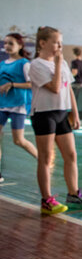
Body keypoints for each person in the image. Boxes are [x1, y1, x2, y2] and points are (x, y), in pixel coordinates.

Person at [29, 26, 82, 215]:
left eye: (61, 42)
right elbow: (54, 88)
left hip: (61, 113)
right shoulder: (36, 65)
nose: (60, 46)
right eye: (56, 42)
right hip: (44, 114)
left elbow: (68, 89)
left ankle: (74, 194)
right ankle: (47, 200)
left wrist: (74, 113)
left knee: (71, 155)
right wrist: (58, 63)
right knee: (45, 158)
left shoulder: (64, 63)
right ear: (43, 43)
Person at [0, 33, 38, 183]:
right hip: (2, 105)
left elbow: (32, 84)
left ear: (20, 46)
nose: (7, 46)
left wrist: (12, 84)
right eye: (6, 43)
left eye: (11, 43)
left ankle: (42, 160)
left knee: (18, 140)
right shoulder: (2, 64)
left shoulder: (24, 64)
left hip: (18, 105)